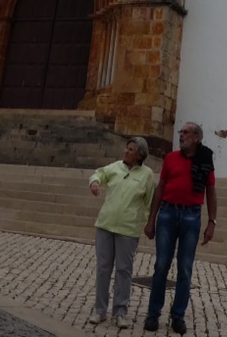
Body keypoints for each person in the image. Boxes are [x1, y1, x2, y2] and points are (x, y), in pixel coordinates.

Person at [144, 122, 217, 335]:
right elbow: (160, 188)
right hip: (167, 213)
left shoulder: (204, 161)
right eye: (181, 132)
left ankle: (178, 315)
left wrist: (212, 222)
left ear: (196, 138)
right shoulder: (170, 158)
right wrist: (151, 219)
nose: (181, 135)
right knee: (161, 265)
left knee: (185, 269)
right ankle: (153, 313)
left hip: (191, 216)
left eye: (186, 132)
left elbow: (211, 192)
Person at [88, 138, 156, 329]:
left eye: (131, 149)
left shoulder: (147, 175)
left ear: (140, 154)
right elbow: (99, 174)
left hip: (128, 229)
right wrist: (94, 182)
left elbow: (148, 202)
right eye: (126, 148)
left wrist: (147, 222)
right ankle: (100, 310)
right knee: (103, 268)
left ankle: (120, 312)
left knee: (123, 271)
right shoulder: (116, 167)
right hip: (105, 225)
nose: (126, 151)